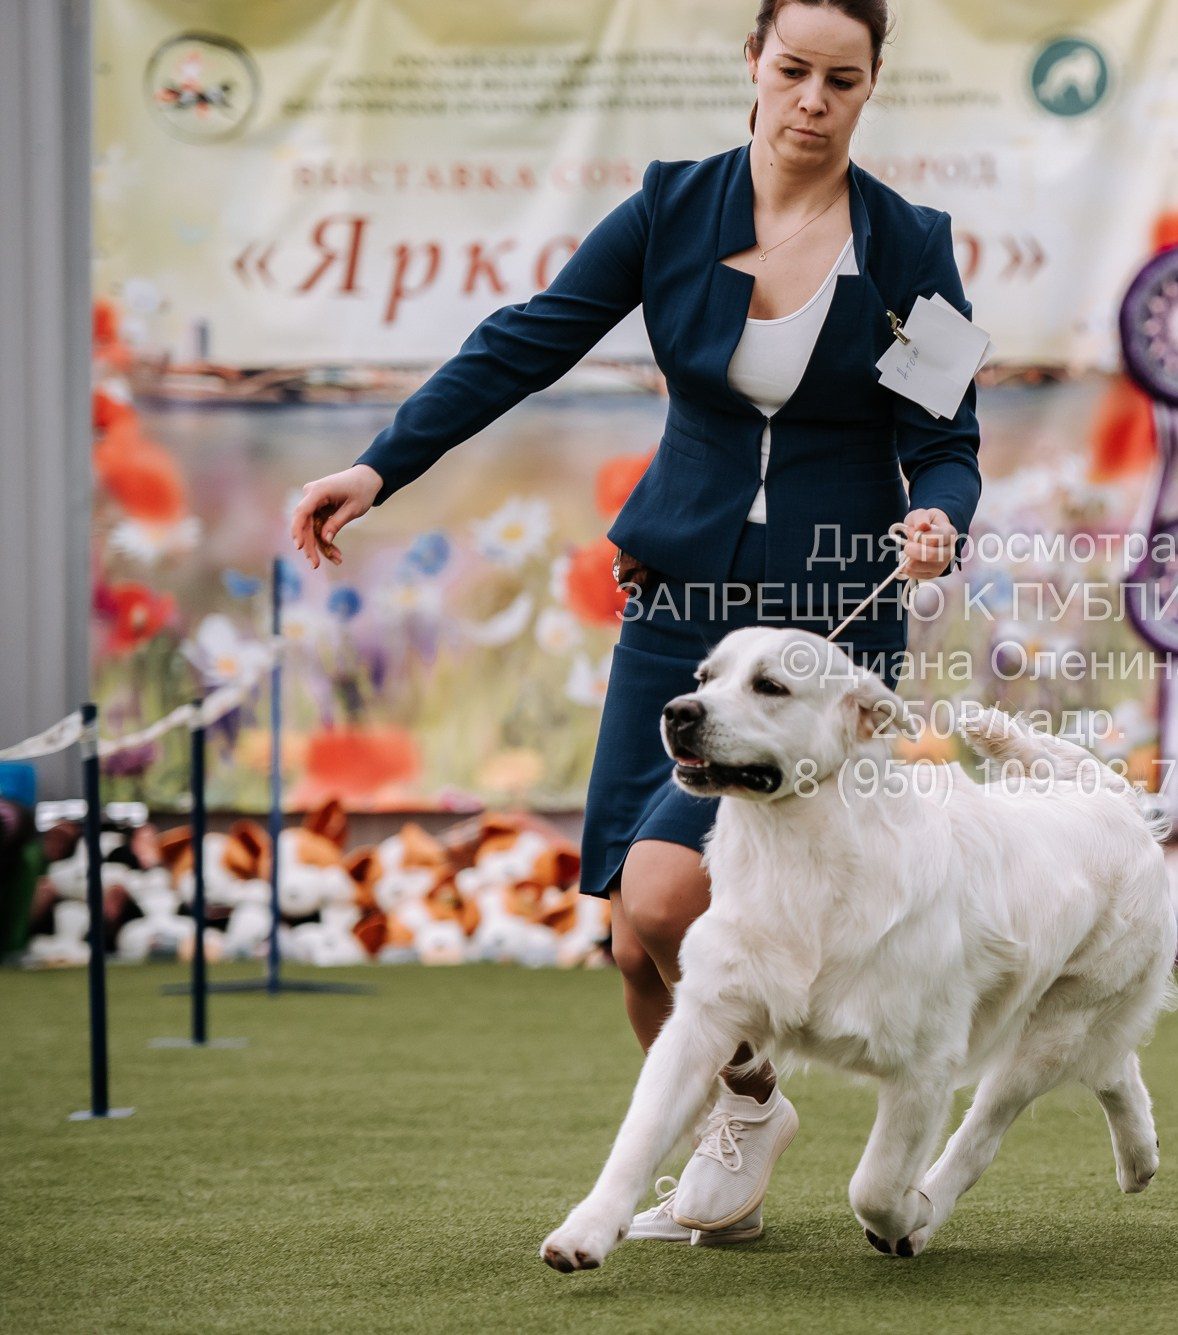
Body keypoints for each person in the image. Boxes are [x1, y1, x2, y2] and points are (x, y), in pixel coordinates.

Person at [287, 0, 980, 1248]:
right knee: (628, 939)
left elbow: (946, 440)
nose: (813, 100)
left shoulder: (913, 244)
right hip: (677, 620)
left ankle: (753, 1119)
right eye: (792, 71)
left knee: (669, 903)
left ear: (870, 87)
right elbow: (522, 346)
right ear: (753, 68)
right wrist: (378, 468)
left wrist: (935, 515)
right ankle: (746, 1115)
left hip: (823, 646)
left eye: (843, 78)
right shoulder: (672, 206)